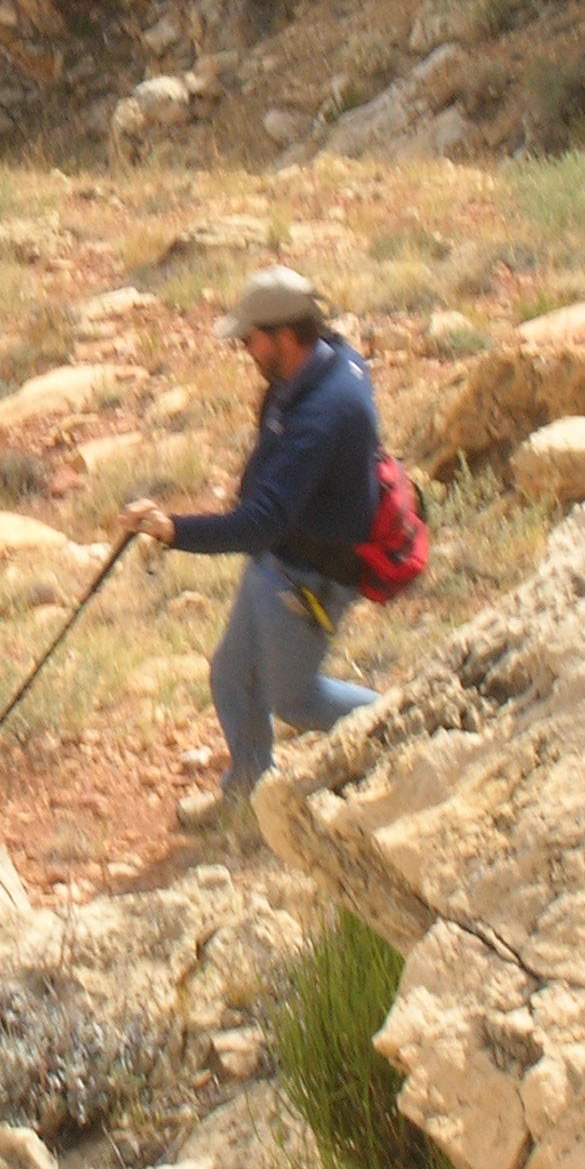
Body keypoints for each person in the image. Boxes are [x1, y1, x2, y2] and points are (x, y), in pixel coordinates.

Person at [115, 265, 381, 823]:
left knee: (296, 700)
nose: (244, 350)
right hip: (282, 562)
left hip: (308, 577)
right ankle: (246, 796)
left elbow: (261, 522)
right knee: (232, 675)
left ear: (285, 335)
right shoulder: (323, 363)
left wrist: (172, 530)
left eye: (249, 339)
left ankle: (405, 721)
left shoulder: (325, 412)